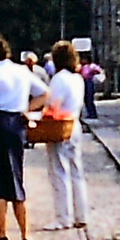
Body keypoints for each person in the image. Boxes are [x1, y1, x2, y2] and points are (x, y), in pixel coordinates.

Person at [0, 33, 46, 240]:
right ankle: (25, 234)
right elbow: (44, 94)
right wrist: (26, 109)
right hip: (17, 126)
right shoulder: (21, 71)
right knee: (15, 176)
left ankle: (2, 234)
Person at [41, 41, 91, 230]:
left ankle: (63, 217)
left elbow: (54, 105)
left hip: (59, 127)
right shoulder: (77, 78)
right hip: (75, 125)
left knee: (59, 172)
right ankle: (81, 215)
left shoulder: (59, 79)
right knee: (76, 172)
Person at [80, 54, 103, 120]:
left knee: (89, 98)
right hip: (84, 81)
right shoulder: (83, 66)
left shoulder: (92, 66)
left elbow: (100, 70)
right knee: (86, 99)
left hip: (89, 81)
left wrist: (95, 73)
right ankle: (89, 112)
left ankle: (93, 113)